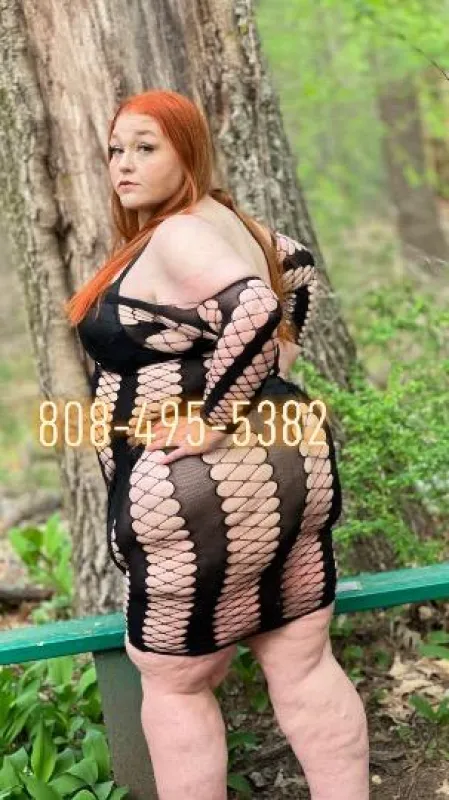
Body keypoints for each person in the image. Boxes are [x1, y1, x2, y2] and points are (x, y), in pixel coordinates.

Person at [66, 89, 369, 800]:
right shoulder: (229, 220)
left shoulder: (177, 235)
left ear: (189, 151)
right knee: (301, 659)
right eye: (116, 149)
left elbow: (255, 306)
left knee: (178, 682)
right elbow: (295, 266)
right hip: (291, 452)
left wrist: (213, 416)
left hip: (196, 478)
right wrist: (279, 359)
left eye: (146, 148)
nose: (123, 164)